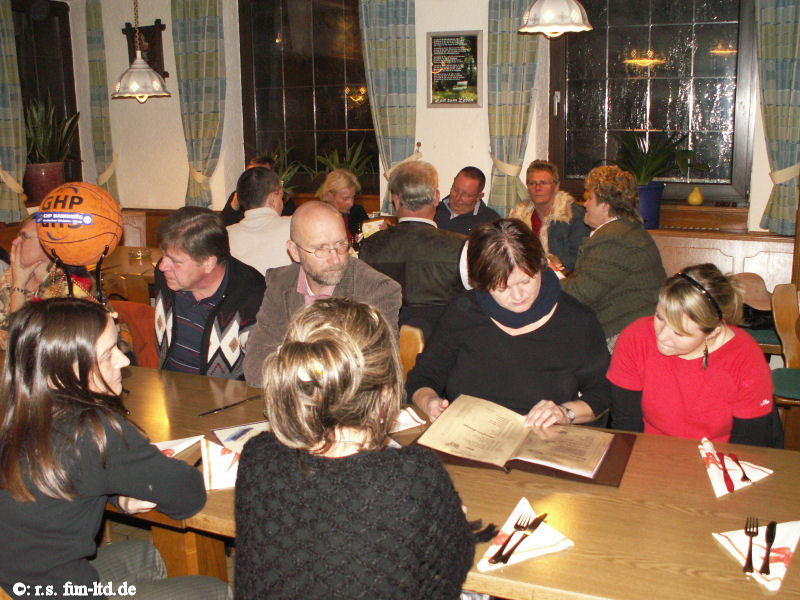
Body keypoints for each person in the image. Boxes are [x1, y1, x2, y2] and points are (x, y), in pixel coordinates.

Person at [235, 298, 474, 598]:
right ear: (386, 393)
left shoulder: (257, 456)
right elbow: (448, 574)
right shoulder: (413, 476)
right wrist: (453, 527)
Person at [0, 298, 231, 599]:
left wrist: (119, 497)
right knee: (213, 590)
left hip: (18, 581)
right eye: (109, 353)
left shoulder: (17, 413)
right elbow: (188, 495)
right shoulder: (93, 430)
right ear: (62, 369)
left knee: (144, 555)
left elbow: (68, 482)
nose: (124, 360)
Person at [406, 218, 610, 428]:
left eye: (526, 281)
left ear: (540, 267)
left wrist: (565, 413)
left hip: (543, 438)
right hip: (471, 436)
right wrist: (430, 402)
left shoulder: (576, 320)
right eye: (502, 288)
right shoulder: (463, 313)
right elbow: (422, 378)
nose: (518, 295)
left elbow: (603, 393)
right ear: (482, 282)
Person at [607, 264, 783, 447]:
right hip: (650, 452)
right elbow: (626, 429)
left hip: (719, 458)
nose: (662, 336)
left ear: (713, 332)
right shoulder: (635, 338)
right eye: (660, 317)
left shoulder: (746, 359)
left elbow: (746, 446)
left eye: (679, 332)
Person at [243, 201, 401, 387]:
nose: (335, 259)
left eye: (341, 244)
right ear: (294, 251)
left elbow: (377, 378)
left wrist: (289, 362)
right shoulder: (280, 284)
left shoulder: (376, 290)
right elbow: (255, 367)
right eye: (321, 249)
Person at [561, 165, 666, 351]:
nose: (585, 204)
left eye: (590, 198)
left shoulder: (615, 238)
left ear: (605, 205)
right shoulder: (625, 231)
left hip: (624, 337)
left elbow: (580, 294)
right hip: (631, 331)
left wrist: (547, 279)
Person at [359, 160, 467, 339]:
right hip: (443, 347)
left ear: (396, 200)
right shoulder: (462, 246)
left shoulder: (369, 245)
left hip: (384, 344)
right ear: (436, 197)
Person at [155, 207, 265, 379]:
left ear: (208, 263)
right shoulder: (167, 278)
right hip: (167, 385)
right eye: (164, 255)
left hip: (227, 394)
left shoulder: (252, 295)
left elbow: (261, 372)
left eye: (175, 261)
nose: (162, 266)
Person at [0, 215, 95, 350]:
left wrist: (18, 287)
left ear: (48, 245)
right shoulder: (12, 273)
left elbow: (21, 345)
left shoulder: (69, 283)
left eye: (24, 237)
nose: (15, 242)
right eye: (18, 235)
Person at [508, 159, 589, 273]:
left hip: (563, 278)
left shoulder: (573, 215)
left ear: (556, 186)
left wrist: (550, 267)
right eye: (532, 183)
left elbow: (578, 258)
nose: (537, 188)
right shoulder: (518, 217)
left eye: (543, 183)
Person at [226, 166, 292, 275]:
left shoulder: (226, 234)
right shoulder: (294, 226)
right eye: (281, 197)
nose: (283, 204)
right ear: (272, 199)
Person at [220, 155, 296, 227]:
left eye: (260, 175)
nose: (254, 178)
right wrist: (234, 206)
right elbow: (223, 228)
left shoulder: (283, 198)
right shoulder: (239, 196)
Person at [434, 166, 501, 235]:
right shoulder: (433, 209)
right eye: (456, 190)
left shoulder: (491, 223)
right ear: (453, 182)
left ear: (479, 196)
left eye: (465, 195)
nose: (457, 198)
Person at [316, 168, 368, 244]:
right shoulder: (319, 219)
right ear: (330, 196)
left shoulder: (357, 211)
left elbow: (369, 240)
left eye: (353, 197)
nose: (351, 203)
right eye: (345, 198)